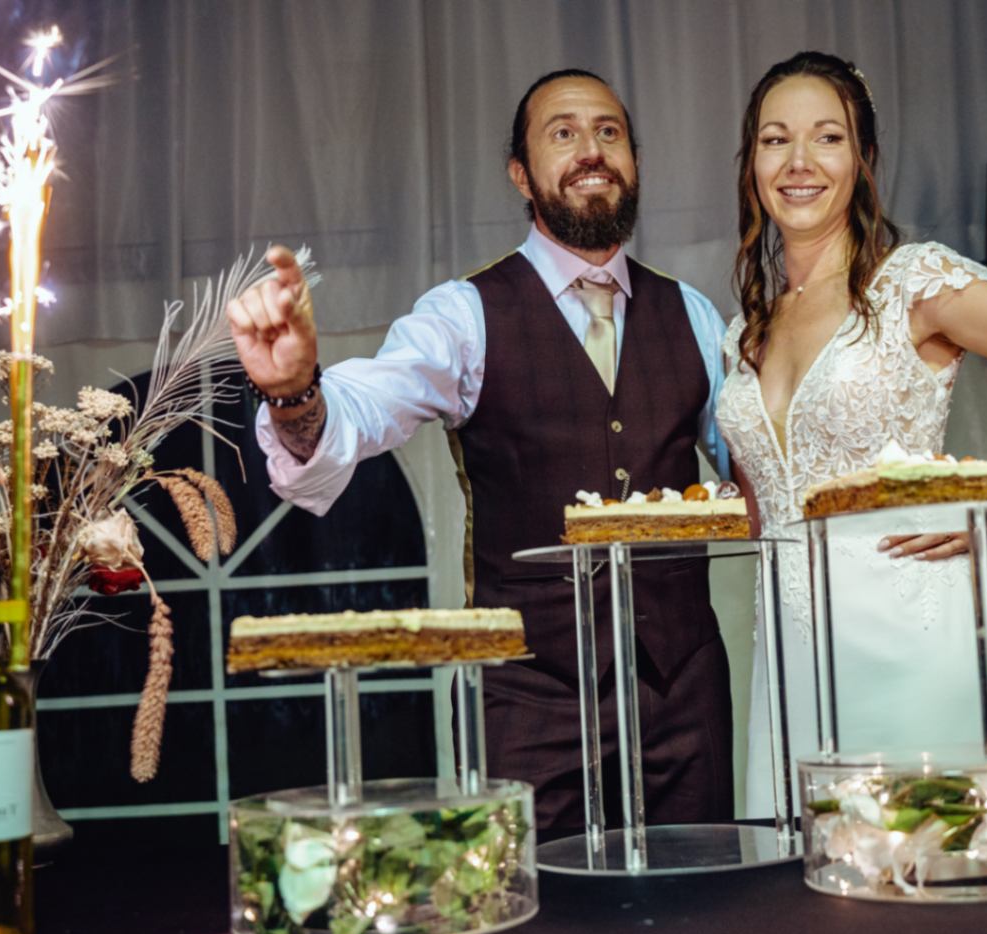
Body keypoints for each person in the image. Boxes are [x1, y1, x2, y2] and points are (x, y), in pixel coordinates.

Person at [227, 69, 735, 832]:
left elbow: (762, 471)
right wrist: (297, 391)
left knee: (708, 920)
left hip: (685, 700)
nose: (591, 150)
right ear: (521, 175)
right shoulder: (464, 316)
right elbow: (366, 407)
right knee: (537, 932)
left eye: (609, 132)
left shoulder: (691, 312)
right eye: (562, 133)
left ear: (634, 161)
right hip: (530, 702)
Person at [715, 52, 987, 815]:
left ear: (865, 158)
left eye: (828, 138)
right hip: (788, 660)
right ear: (751, 161)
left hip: (912, 637)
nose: (799, 162)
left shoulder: (912, 283)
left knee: (927, 861)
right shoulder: (742, 332)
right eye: (775, 140)